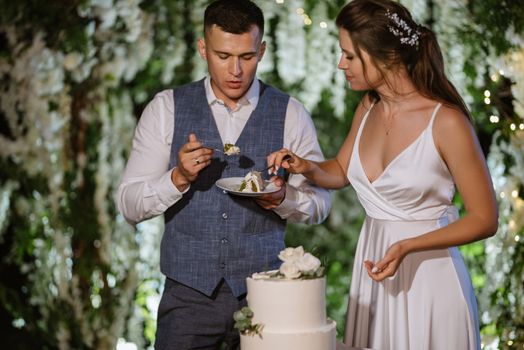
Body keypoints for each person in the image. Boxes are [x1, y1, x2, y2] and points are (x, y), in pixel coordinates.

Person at [269, 0, 498, 349]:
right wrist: (306, 166)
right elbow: (342, 171)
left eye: (349, 56)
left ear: (386, 56)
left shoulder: (447, 122)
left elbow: (485, 219)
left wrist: (409, 246)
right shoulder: (369, 106)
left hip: (428, 278)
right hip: (374, 272)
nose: (340, 64)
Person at [116, 0, 331, 349]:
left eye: (246, 57)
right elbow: (129, 204)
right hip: (188, 299)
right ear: (203, 48)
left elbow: (321, 204)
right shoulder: (166, 108)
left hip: (266, 295)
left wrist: (281, 198)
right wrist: (178, 178)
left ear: (262, 50)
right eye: (222, 55)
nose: (235, 70)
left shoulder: (291, 113)